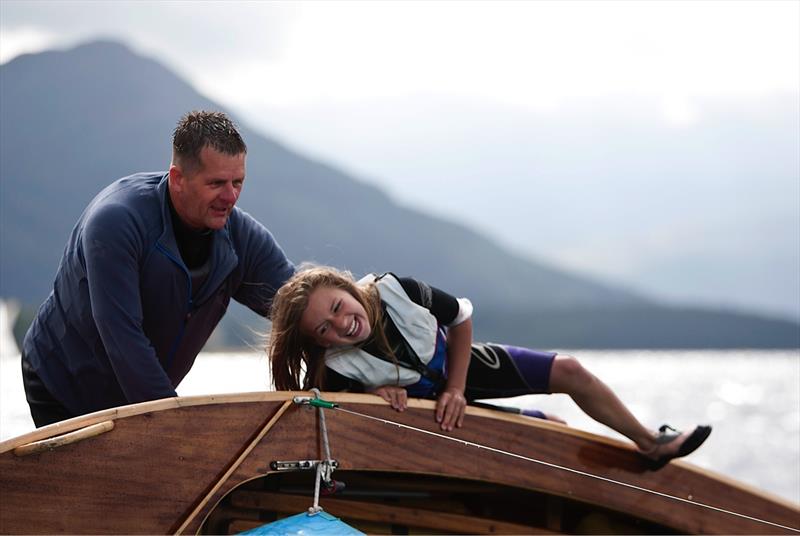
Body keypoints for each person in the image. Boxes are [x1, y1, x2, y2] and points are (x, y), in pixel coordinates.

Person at [268, 266, 711, 470]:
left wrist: (457, 387)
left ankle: (650, 442)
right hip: (432, 414)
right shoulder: (336, 366)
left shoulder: (395, 288)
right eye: (325, 329)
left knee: (569, 370)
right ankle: (588, 456)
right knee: (547, 430)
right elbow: (338, 413)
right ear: (319, 342)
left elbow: (460, 318)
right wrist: (376, 397)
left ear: (346, 287)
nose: (341, 324)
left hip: (461, 368)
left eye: (338, 307)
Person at [21, 110, 295, 427]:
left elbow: (298, 303)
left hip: (139, 394)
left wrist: (358, 328)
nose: (230, 196)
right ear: (178, 179)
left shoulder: (243, 238)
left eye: (238, 182)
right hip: (62, 384)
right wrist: (175, 425)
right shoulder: (116, 222)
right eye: (216, 183)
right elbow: (122, 336)